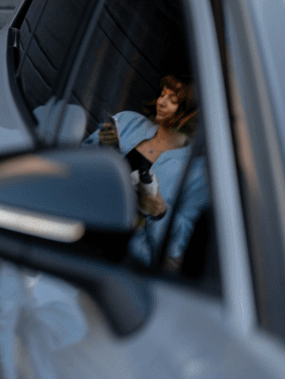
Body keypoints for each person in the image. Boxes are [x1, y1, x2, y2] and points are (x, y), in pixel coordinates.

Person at [82, 75, 208, 269]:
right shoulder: (127, 121)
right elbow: (76, 166)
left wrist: (158, 211)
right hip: (83, 226)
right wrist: (102, 153)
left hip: (126, 262)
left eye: (173, 101)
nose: (162, 102)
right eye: (163, 94)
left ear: (192, 114)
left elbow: (178, 252)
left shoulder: (198, 173)